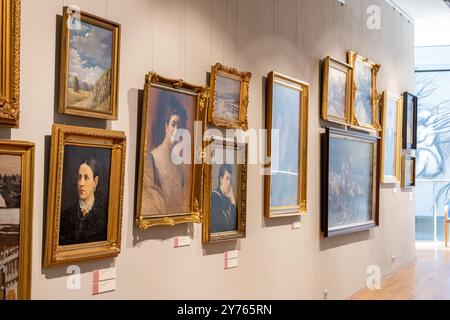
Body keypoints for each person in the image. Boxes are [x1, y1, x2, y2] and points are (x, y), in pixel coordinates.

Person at [142, 94, 191, 216]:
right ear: (166, 126)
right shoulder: (152, 158)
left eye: (179, 127)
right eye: (173, 124)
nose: (176, 130)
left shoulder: (179, 162)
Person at [59, 158, 107, 246]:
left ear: (95, 182)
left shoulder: (104, 215)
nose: (81, 183)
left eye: (86, 178)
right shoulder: (65, 216)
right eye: (79, 177)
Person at [211, 164, 237, 233]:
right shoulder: (214, 197)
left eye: (230, 179)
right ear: (220, 179)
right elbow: (225, 226)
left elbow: (234, 225)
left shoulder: (226, 199)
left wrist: (232, 199)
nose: (229, 183)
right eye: (227, 178)